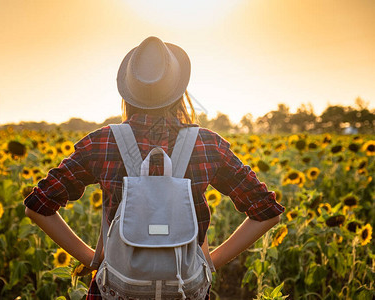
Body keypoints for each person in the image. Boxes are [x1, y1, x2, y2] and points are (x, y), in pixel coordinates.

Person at [24, 36, 285, 299]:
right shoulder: (207, 145)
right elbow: (267, 212)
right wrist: (210, 262)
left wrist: (93, 259)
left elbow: (38, 206)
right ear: (178, 91)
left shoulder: (102, 143)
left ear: (128, 91)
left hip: (118, 288)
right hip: (186, 289)